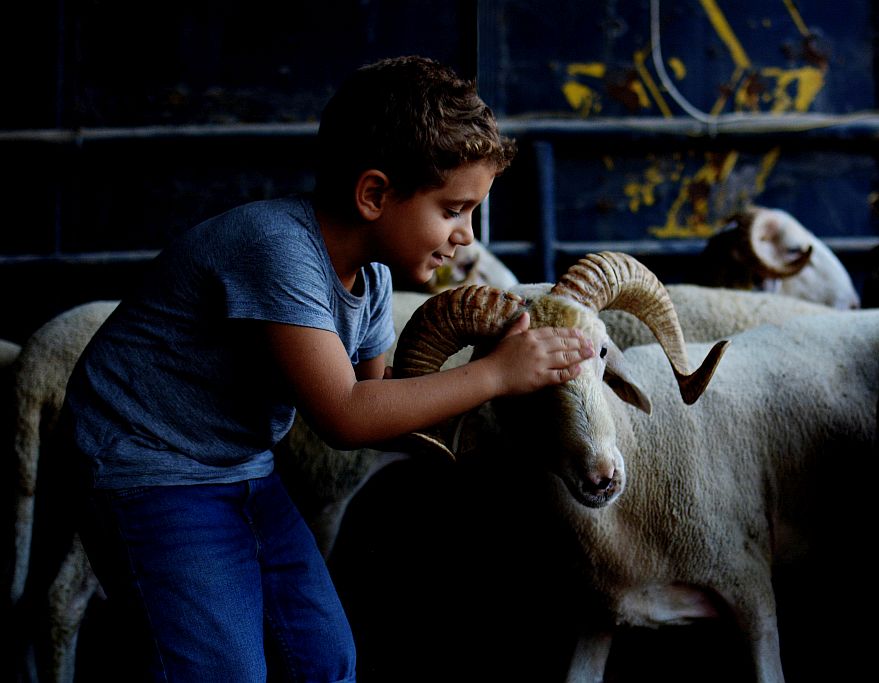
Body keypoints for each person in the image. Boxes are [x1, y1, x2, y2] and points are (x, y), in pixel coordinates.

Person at [57, 55, 593, 682]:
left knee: (324, 658)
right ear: (374, 195)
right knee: (218, 673)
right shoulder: (278, 251)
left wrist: (500, 402)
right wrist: (495, 375)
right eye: (453, 210)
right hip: (144, 466)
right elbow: (344, 416)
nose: (466, 239)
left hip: (239, 467)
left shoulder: (367, 280)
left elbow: (382, 400)